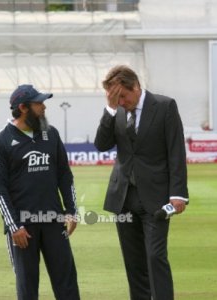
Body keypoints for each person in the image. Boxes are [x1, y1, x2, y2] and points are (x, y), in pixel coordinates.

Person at [94, 65, 189, 300]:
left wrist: (179, 194)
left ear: (135, 86)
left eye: (123, 96)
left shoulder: (165, 106)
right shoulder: (116, 110)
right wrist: (110, 108)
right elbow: (101, 144)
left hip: (156, 197)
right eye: (116, 98)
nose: (121, 101)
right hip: (123, 198)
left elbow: (175, 151)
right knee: (133, 261)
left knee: (155, 256)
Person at [0, 84, 80, 300]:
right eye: (39, 103)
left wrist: (71, 210)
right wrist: (14, 226)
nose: (44, 107)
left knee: (67, 284)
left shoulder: (51, 133)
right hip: (23, 228)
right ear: (23, 107)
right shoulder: (1, 141)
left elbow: (65, 176)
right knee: (27, 288)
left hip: (54, 221)